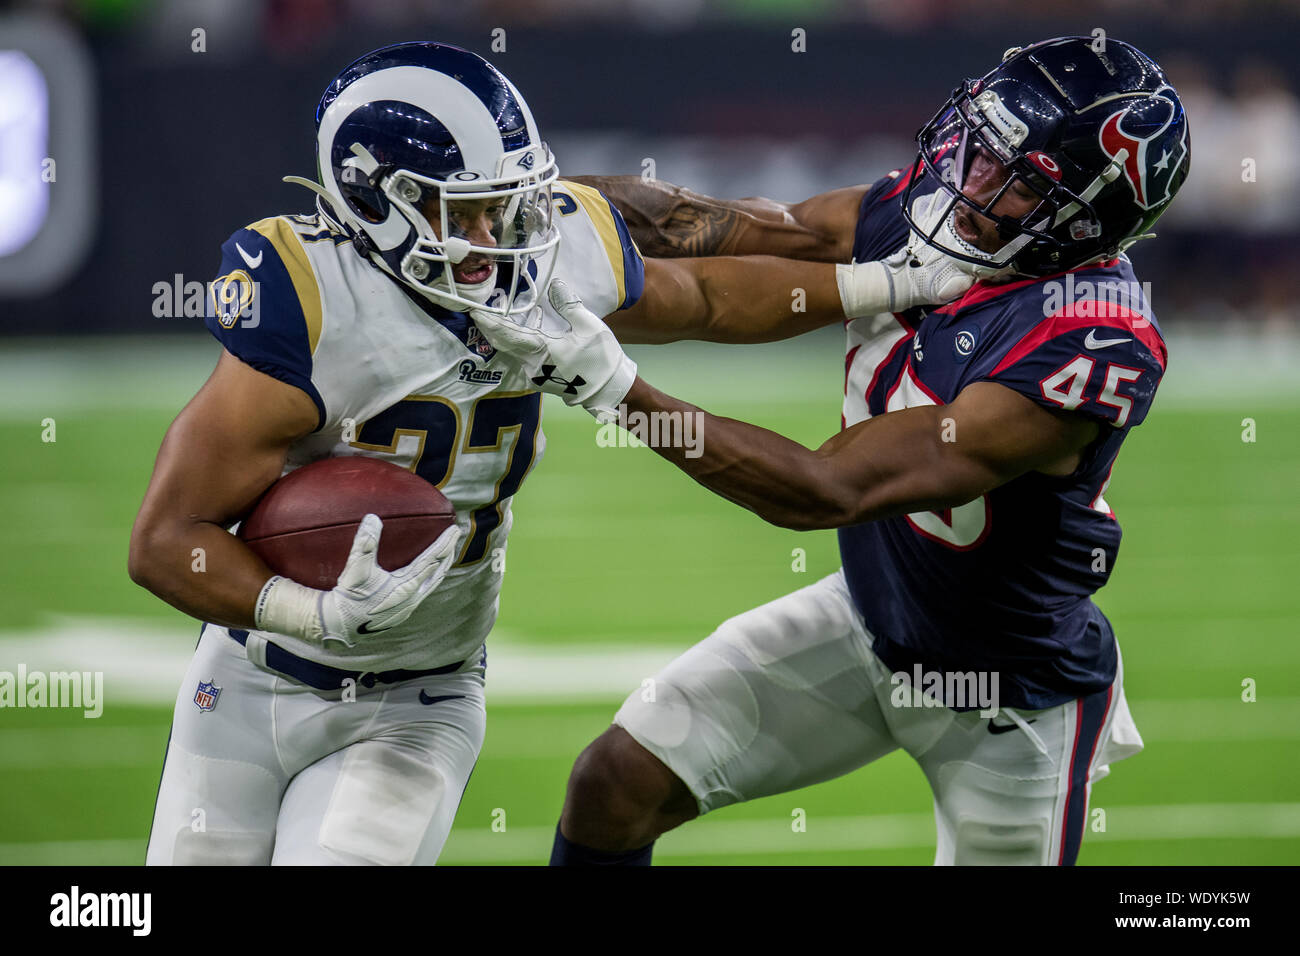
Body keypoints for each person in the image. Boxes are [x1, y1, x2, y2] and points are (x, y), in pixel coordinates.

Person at [129, 40, 973, 865]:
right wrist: (308, 612)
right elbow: (165, 540)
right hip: (250, 676)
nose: (499, 232)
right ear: (375, 204)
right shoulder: (313, 300)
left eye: (506, 203)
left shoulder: (542, 255)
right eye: (464, 212)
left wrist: (886, 283)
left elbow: (709, 298)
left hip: (418, 697)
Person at [472, 36, 1190, 866]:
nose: (972, 181)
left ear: (1084, 221)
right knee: (616, 784)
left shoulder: (1088, 341)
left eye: (1016, 178)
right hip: (867, 619)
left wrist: (613, 388)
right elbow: (724, 232)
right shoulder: (930, 208)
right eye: (980, 150)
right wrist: (517, 201)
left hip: (1009, 695)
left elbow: (825, 489)